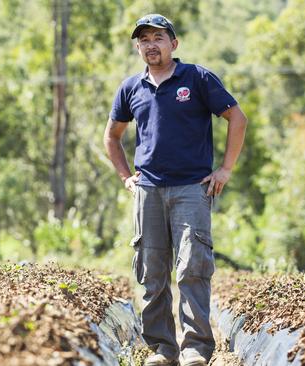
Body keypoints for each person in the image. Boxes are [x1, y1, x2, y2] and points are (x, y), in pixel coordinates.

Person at [103, 13, 248, 366]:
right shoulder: (130, 88)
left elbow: (237, 118)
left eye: (158, 38)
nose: (151, 45)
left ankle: (196, 348)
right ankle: (162, 349)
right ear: (138, 47)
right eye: (144, 40)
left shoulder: (196, 78)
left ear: (174, 43)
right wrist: (126, 176)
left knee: (192, 269)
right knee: (152, 272)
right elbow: (112, 137)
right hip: (148, 191)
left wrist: (225, 169)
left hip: (191, 190)